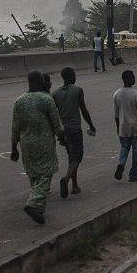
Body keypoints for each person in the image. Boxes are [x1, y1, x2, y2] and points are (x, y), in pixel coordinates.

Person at [11, 71, 65, 224]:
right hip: (44, 143)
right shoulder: (46, 99)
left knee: (33, 174)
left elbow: (15, 126)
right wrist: (62, 137)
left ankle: (39, 209)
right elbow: (57, 124)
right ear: (40, 81)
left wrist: (14, 147)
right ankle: (33, 203)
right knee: (46, 174)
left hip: (26, 143)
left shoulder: (19, 101)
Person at [51, 67, 97, 199]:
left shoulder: (56, 93)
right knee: (77, 157)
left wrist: (57, 132)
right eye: (74, 75)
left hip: (62, 130)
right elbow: (83, 110)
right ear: (71, 77)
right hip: (74, 129)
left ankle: (75, 185)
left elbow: (54, 115)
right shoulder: (77, 90)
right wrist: (91, 125)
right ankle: (66, 179)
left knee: (71, 156)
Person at [113, 70, 137, 181]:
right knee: (136, 150)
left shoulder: (117, 94)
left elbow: (116, 114)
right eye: (133, 77)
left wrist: (117, 127)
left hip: (123, 126)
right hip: (135, 127)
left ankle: (121, 163)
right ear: (131, 79)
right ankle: (133, 174)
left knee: (124, 147)